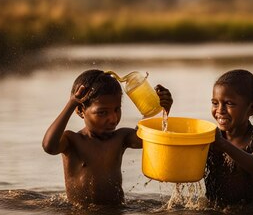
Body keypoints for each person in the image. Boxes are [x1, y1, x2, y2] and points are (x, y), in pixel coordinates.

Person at [42, 69, 172, 206]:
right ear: (80, 110)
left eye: (117, 109)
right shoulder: (72, 141)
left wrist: (163, 108)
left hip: (115, 214)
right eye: (102, 112)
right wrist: (72, 103)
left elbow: (154, 139)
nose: (113, 119)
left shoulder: (120, 138)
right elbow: (49, 146)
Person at [204, 69, 253, 206]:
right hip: (217, 212)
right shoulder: (211, 140)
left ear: (252, 108)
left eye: (229, 103)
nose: (220, 110)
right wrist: (165, 109)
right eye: (215, 103)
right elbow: (183, 161)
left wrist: (224, 145)